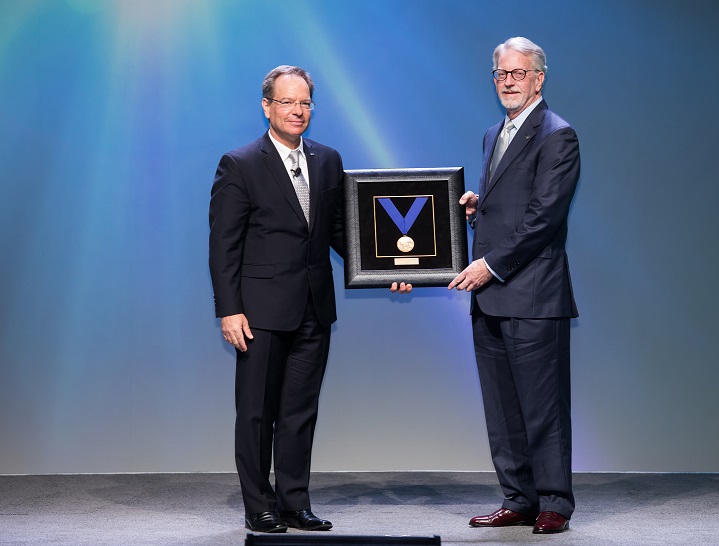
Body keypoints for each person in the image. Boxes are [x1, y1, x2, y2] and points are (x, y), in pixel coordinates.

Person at [209, 65, 409, 534]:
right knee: (257, 414)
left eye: (305, 103)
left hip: (314, 310)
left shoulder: (327, 159)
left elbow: (341, 233)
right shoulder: (239, 164)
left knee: (299, 413)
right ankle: (258, 505)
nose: (297, 111)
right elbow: (224, 246)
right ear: (267, 107)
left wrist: (387, 271)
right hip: (258, 313)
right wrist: (228, 309)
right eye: (287, 102)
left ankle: (294, 503)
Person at [448, 37, 581, 535]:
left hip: (533, 293)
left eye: (518, 73)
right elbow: (516, 204)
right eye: (500, 73)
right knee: (502, 406)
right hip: (494, 296)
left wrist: (488, 265)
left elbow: (544, 217)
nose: (507, 81)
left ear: (538, 78)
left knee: (542, 408)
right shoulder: (493, 133)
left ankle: (554, 503)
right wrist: (479, 207)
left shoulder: (557, 135)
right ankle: (518, 498)